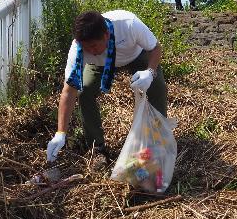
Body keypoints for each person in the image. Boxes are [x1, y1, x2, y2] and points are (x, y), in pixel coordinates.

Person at [46, 10, 168, 169]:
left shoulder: (129, 24)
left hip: (136, 56)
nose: (90, 51)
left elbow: (155, 48)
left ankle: (158, 141)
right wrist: (60, 133)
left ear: (106, 35)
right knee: (85, 91)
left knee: (158, 87)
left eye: (93, 46)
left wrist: (150, 73)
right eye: (85, 48)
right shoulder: (78, 50)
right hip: (100, 65)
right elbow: (69, 92)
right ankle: (97, 149)